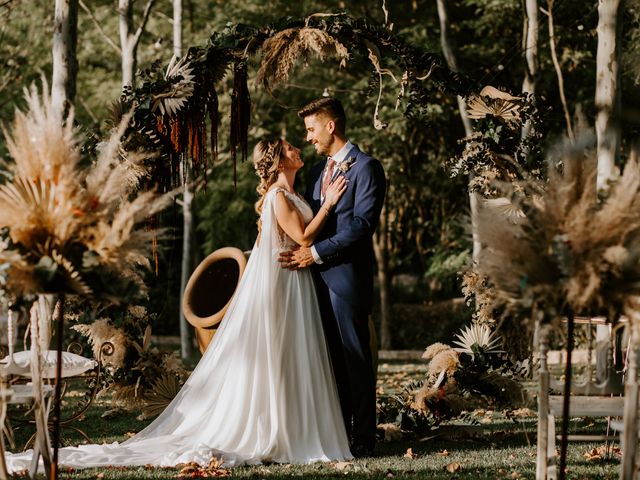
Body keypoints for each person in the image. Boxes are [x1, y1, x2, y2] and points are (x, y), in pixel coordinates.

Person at [5, 138, 352, 473]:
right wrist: (329, 203)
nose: (298, 147)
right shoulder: (278, 197)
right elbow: (304, 237)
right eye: (290, 145)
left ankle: (294, 426)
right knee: (281, 351)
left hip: (295, 280)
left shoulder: (291, 194)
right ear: (278, 159)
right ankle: (279, 429)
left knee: (292, 352)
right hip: (285, 282)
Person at [279, 97, 386, 457]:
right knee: (329, 361)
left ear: (331, 126)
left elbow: (361, 225)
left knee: (356, 360)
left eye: (311, 129)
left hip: (345, 279)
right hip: (313, 282)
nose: (307, 137)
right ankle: (337, 434)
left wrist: (316, 253)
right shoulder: (314, 174)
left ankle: (364, 439)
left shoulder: (367, 168)